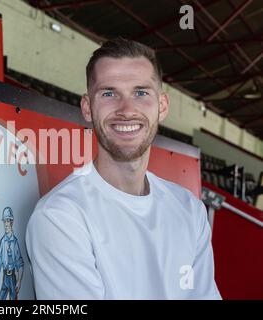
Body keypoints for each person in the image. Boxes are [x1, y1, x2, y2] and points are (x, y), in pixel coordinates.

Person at [25, 38, 221, 300]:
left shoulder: (189, 209)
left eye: (141, 92)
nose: (126, 110)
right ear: (87, 108)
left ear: (162, 106)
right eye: (109, 93)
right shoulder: (61, 216)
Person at [0, 207, 24, 300]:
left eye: (7, 221)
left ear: (11, 222)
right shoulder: (3, 241)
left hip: (12, 278)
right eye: (4, 221)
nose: (6, 224)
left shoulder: (15, 242)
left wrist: (19, 281)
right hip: (5, 276)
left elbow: (20, 262)